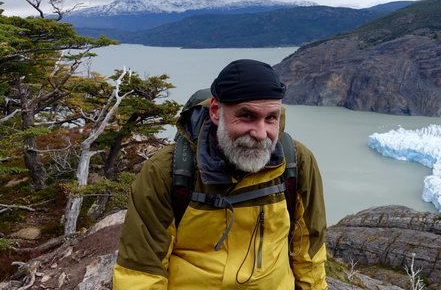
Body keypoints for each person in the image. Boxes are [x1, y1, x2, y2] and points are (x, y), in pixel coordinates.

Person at [113, 59, 328, 289]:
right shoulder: (168, 170)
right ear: (216, 111)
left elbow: (309, 251)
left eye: (271, 118)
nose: (260, 133)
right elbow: (142, 271)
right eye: (247, 116)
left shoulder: (295, 161)